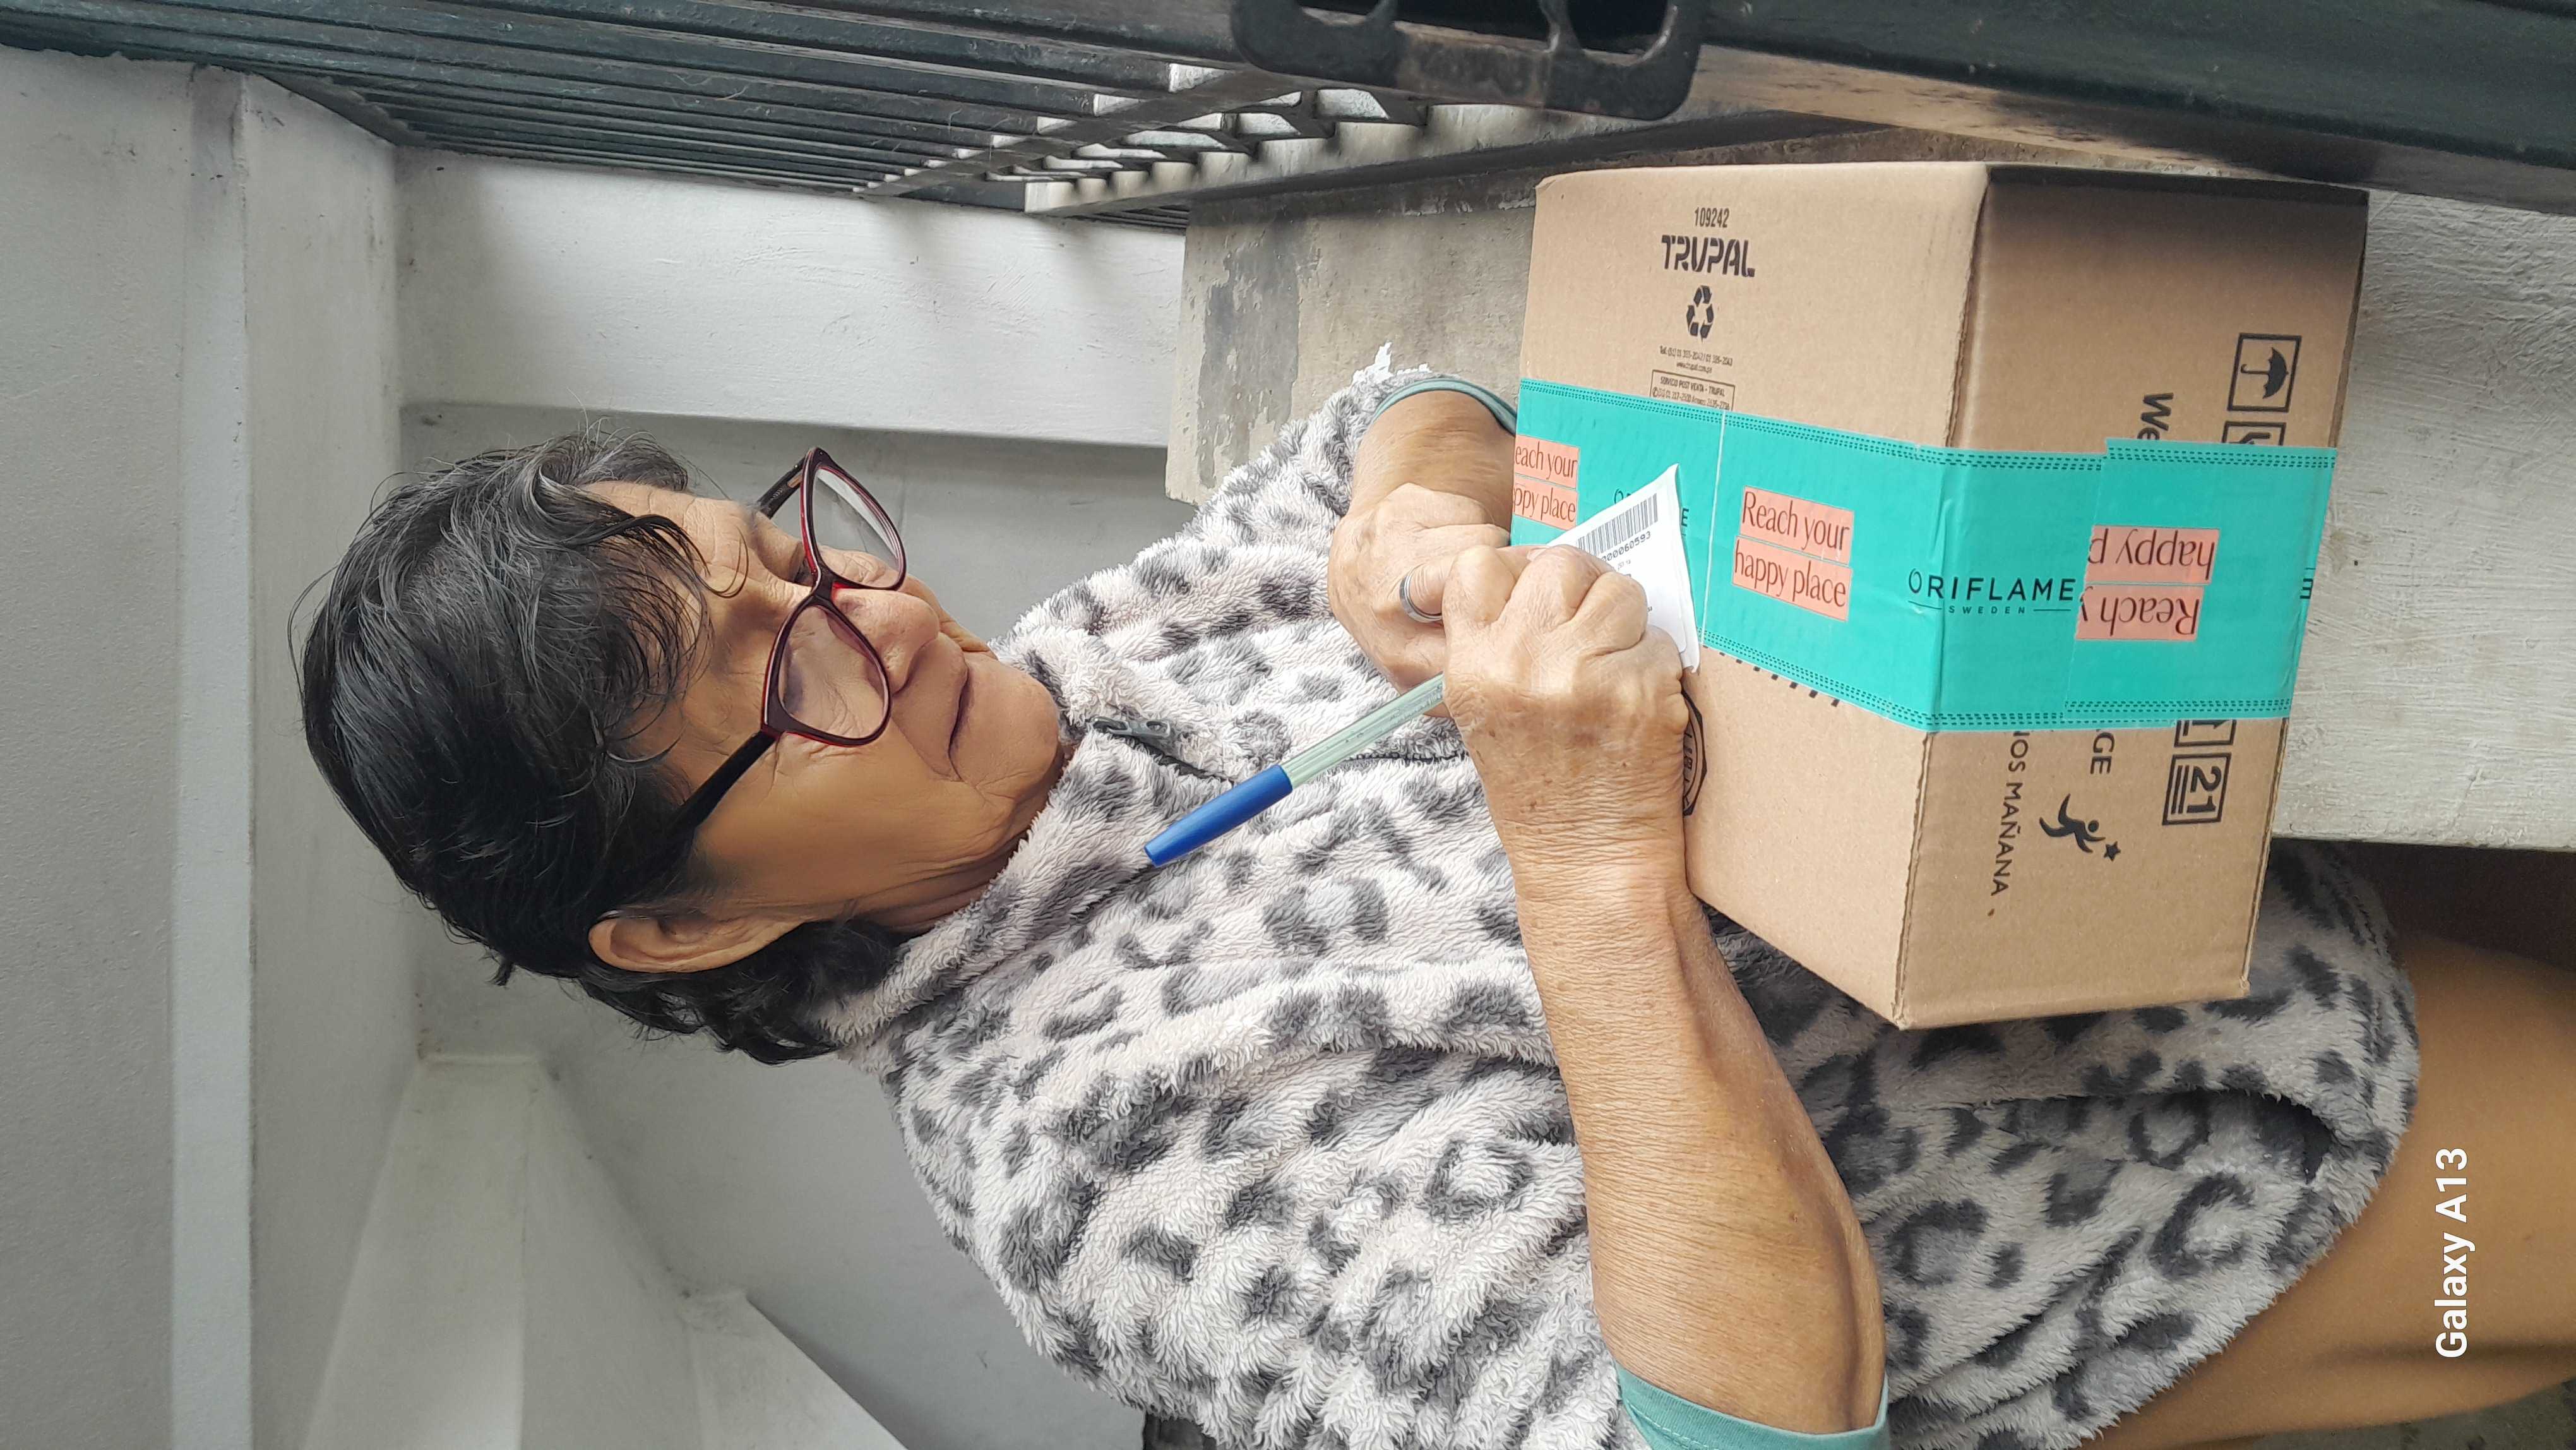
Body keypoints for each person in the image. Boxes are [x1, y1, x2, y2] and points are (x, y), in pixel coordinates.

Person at [299, 361, 2574, 1450]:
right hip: (2221, 1177)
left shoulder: (1087, 667)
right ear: (682, 928)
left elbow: (1399, 404)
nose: (875, 616)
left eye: (786, 552)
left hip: (2201, 908)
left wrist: (1409, 514)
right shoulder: (1102, 1162)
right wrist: (1586, 863)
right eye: (774, 683)